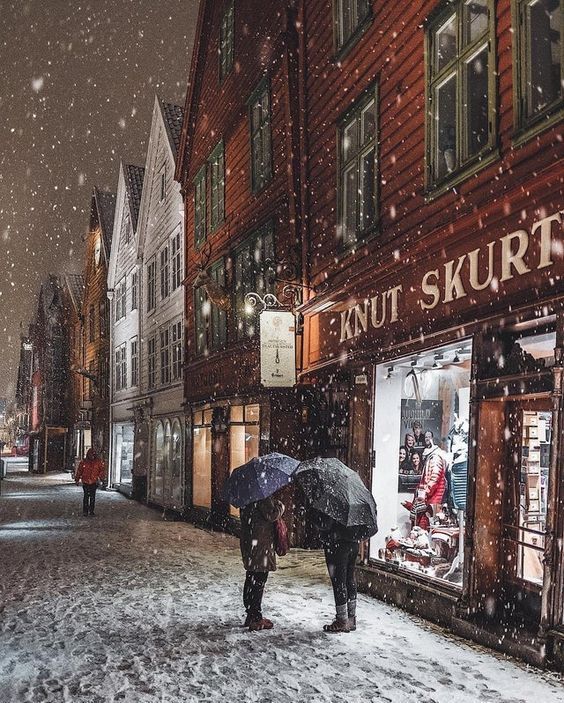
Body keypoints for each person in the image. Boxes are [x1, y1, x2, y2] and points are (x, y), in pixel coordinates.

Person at [311, 508, 362, 633]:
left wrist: (315, 516)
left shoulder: (333, 501)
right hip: (353, 543)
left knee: (339, 581)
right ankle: (351, 618)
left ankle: (342, 620)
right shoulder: (356, 501)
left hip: (337, 544)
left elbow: (325, 524)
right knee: (350, 579)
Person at [239, 494, 285, 631]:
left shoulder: (245, 497)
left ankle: (251, 613)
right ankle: (256, 618)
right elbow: (271, 515)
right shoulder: (262, 496)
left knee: (252, 576)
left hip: (250, 541)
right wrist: (280, 506)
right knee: (259, 579)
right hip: (261, 543)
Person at [75, 448, 106, 517]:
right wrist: (77, 479)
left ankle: (90, 511)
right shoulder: (86, 462)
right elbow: (80, 471)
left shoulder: (95, 462)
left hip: (93, 481)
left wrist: (100, 478)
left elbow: (101, 471)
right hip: (87, 481)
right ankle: (86, 511)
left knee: (91, 497)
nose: (92, 456)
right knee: (87, 496)